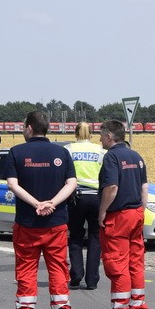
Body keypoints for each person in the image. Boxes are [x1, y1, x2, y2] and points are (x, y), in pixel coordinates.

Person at [5, 110, 77, 309]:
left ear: (29, 128)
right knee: (58, 268)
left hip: (28, 223)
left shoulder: (16, 152)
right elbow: (72, 183)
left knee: (26, 269)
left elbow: (12, 185)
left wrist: (37, 204)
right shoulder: (61, 152)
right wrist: (51, 203)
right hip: (56, 222)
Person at [95, 119, 149, 309]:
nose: (99, 138)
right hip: (136, 213)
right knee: (135, 263)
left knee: (117, 264)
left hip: (118, 216)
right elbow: (144, 188)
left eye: (101, 135)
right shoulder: (136, 156)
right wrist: (141, 211)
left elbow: (112, 188)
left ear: (109, 136)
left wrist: (102, 212)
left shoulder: (112, 157)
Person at [64, 121, 105, 290]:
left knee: (75, 236)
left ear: (75, 134)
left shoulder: (68, 149)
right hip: (96, 197)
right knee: (95, 237)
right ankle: (92, 280)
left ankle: (76, 274)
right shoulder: (100, 151)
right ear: (91, 135)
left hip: (76, 197)